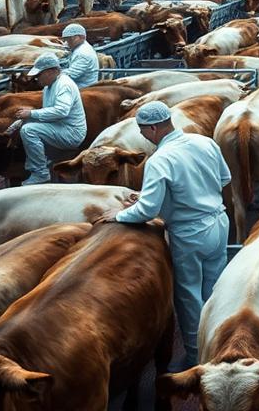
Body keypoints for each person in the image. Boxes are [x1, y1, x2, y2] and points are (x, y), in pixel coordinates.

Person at [98, 101, 230, 368]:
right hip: (219, 222)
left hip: (190, 232)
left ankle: (196, 358)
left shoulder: (160, 159)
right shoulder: (204, 142)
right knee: (216, 290)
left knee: (189, 295)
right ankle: (219, 347)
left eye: (143, 130)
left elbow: (147, 210)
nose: (143, 135)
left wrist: (119, 215)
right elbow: (224, 178)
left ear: (154, 128)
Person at [11, 52, 87, 185]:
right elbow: (49, 113)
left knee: (29, 130)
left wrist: (31, 114)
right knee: (27, 125)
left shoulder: (64, 85)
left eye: (39, 74)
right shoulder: (49, 86)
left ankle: (40, 173)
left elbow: (61, 111)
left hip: (71, 132)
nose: (37, 78)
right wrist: (20, 121)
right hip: (61, 127)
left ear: (52, 71)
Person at [61, 22, 100, 87]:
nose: (66, 43)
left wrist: (54, 74)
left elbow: (71, 74)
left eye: (69, 39)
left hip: (82, 88)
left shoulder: (83, 53)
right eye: (66, 39)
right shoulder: (80, 48)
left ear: (79, 37)